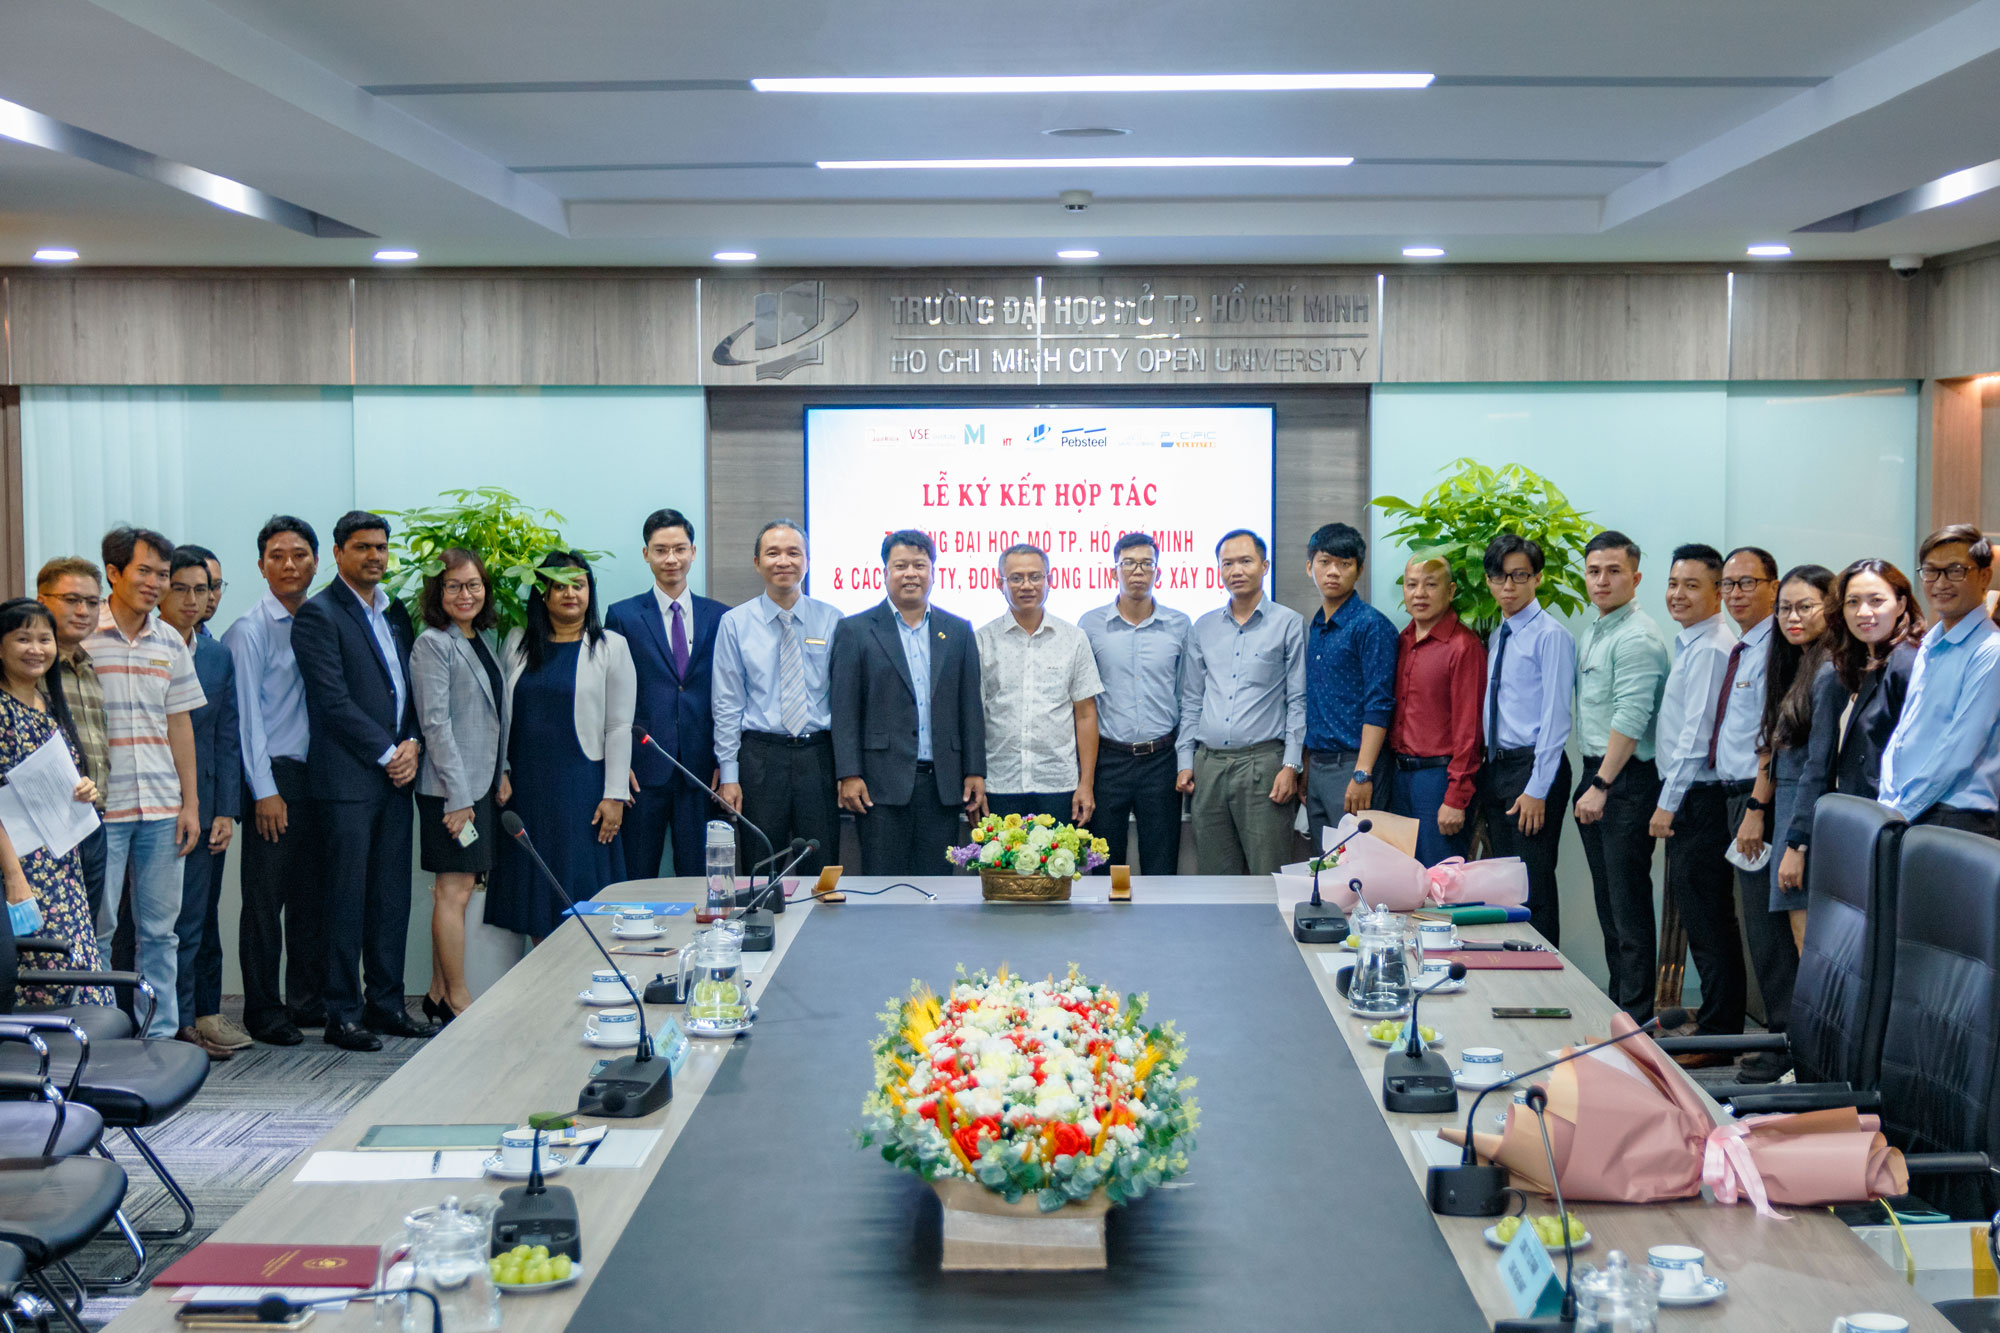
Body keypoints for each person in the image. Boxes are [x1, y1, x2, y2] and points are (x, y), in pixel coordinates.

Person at [290, 511, 434, 1051]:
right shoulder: (318, 615)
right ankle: (342, 1014)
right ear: (338, 553)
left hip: (397, 778)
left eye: (381, 547)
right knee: (345, 900)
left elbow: (411, 688)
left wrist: (414, 743)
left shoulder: (393, 611)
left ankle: (387, 1004)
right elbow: (332, 700)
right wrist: (386, 751)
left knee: (391, 899)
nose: (374, 556)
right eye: (362, 547)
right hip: (348, 781)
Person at [86, 526, 203, 1040]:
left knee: (161, 934)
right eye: (146, 572)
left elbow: (180, 724)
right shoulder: (83, 636)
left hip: (161, 806)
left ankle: (159, 1038)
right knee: (100, 931)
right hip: (101, 811)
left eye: (163, 574)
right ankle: (98, 1037)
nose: (157, 583)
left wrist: (191, 803)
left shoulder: (170, 642)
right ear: (113, 573)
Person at [222, 515, 328, 1046]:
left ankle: (306, 1001)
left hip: (319, 776)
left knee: (312, 896)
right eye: (278, 556)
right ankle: (263, 1009)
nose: (290, 564)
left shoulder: (322, 620)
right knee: (266, 900)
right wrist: (264, 790)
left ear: (317, 560)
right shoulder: (249, 630)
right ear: (261, 565)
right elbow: (245, 719)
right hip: (274, 776)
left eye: (300, 554)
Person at [490, 552, 635, 938]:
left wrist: (615, 794)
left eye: (579, 584)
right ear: (542, 593)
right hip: (526, 789)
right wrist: (502, 769)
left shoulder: (610, 646)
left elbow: (620, 726)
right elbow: (502, 717)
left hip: (582, 788)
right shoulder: (518, 642)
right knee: (535, 896)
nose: (570, 593)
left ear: (591, 591)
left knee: (581, 898)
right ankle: (543, 989)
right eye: (559, 585)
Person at [830, 530, 986, 877]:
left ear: (933, 571)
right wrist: (849, 773)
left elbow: (970, 708)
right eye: (900, 566)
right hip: (879, 784)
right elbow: (844, 711)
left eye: (920, 565)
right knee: (883, 883)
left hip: (942, 783)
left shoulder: (957, 630)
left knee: (937, 884)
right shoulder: (855, 630)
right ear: (884, 572)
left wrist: (975, 770)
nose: (911, 573)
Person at [1570, 531, 1670, 1022]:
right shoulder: (1598, 629)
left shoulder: (1638, 637)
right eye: (1594, 571)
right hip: (1600, 775)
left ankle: (1635, 1021)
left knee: (1628, 909)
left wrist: (1602, 785)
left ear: (1635, 577)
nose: (1602, 580)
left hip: (1624, 782)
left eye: (1613, 571)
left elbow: (1631, 718)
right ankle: (1619, 1010)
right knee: (1610, 907)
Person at [1649, 544, 1745, 1048]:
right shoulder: (1691, 642)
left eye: (1692, 585)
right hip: (1692, 796)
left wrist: (1668, 801)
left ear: (1717, 593)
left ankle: (1720, 1032)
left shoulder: (1711, 647)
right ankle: (1715, 1021)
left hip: (1699, 798)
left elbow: (1695, 734)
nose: (1678, 594)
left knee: (1708, 918)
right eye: (1673, 583)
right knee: (1703, 914)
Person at [409, 549, 509, 1023]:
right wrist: (459, 796)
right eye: (453, 586)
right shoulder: (433, 643)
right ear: (438, 592)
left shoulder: (481, 639)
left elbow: (492, 718)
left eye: (473, 585)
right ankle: (459, 998)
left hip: (478, 788)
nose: (465, 594)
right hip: (451, 793)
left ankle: (436, 992)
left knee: (457, 889)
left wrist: (500, 772)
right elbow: (435, 725)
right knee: (454, 891)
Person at [711, 520, 842, 878]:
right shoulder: (735, 623)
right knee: (759, 865)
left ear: (808, 561)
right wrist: (730, 774)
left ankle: (821, 934)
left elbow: (845, 703)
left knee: (822, 864)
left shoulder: (833, 620)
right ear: (757, 563)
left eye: (793, 552)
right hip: (760, 759)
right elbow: (726, 704)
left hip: (818, 756)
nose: (783, 561)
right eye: (773, 553)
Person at [0, 598, 110, 1010]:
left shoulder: (49, 704)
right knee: (38, 967)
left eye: (44, 639)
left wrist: (84, 789)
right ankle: (38, 1061)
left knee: (75, 959)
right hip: (21, 865)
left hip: (63, 861)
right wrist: (14, 877)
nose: (36, 648)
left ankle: (83, 1059)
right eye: (22, 638)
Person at [1177, 530, 1305, 876]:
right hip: (1209, 766)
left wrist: (1291, 766)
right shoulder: (1202, 627)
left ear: (1264, 566)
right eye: (1227, 563)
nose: (1236, 570)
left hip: (1263, 765)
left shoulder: (1288, 623)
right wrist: (1185, 760)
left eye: (1245, 561)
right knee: (1215, 876)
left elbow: (1298, 700)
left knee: (1268, 873)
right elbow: (1192, 699)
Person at [606, 509, 725, 879]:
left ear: (693, 551)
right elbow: (610, 694)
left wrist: (726, 759)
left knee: (699, 878)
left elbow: (729, 693)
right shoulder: (623, 616)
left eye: (679, 549)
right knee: (637, 874)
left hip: (701, 770)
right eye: (660, 550)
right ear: (646, 555)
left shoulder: (721, 616)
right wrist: (617, 762)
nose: (670, 559)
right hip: (643, 768)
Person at [1714, 546, 1796, 1069]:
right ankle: (1773, 1037)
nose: (1736, 594)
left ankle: (1783, 1045)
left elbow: (1773, 737)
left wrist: (1756, 807)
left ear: (1773, 586)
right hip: (1736, 797)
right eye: (1729, 584)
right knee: (1754, 928)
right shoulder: (1742, 647)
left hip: (1757, 800)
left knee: (1770, 933)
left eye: (1747, 583)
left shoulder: (1779, 650)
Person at [158, 550, 241, 1060]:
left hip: (207, 804)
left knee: (194, 920)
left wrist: (226, 810)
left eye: (203, 589)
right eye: (182, 589)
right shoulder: (146, 647)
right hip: (149, 802)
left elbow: (227, 738)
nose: (194, 600)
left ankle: (187, 1022)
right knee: (150, 926)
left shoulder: (215, 656)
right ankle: (159, 1024)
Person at [1791, 561, 1923, 880]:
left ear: (1902, 603)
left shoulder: (1906, 662)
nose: (1864, 612)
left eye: (1876, 601)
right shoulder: (1864, 663)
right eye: (1853, 602)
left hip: (1892, 826)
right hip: (1861, 821)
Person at [1479, 533, 1576, 947]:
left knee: (1534, 885)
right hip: (1498, 767)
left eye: (1519, 576)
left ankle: (1548, 981)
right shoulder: (1499, 633)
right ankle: (1515, 968)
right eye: (1499, 577)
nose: (1508, 587)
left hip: (1534, 770)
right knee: (1505, 886)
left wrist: (1538, 788)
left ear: (1537, 578)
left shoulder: (1551, 635)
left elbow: (1557, 717)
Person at [1879, 525, 2000, 835]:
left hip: (1956, 816)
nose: (1941, 583)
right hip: (1910, 809)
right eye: (1931, 572)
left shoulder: (1992, 650)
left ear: (1984, 577)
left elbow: (1959, 749)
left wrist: (1900, 810)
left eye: (1955, 571)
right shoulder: (1930, 643)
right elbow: (1906, 731)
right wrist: (1888, 800)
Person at [1081, 532, 1191, 874]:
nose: (1137, 571)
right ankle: (1105, 929)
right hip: (1109, 760)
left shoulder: (1180, 624)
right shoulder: (1090, 625)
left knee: (1161, 863)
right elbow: (1084, 702)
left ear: (1159, 572)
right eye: (1128, 563)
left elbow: (1187, 695)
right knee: (1103, 864)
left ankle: (1159, 929)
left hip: (1161, 759)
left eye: (1147, 564)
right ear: (1114, 571)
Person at [976, 544, 1104, 825]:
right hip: (1000, 783)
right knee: (1000, 870)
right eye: (1016, 578)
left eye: (1035, 577)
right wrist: (975, 779)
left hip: (1058, 784)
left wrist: (1086, 783)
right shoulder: (982, 640)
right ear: (1000, 583)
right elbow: (975, 717)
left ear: (1050, 580)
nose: (1027, 585)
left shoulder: (1073, 639)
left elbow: (1085, 714)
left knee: (1059, 869)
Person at [1300, 523, 1398, 852]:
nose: (1333, 572)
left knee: (1357, 869)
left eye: (1345, 564)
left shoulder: (1371, 625)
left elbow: (1379, 703)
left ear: (1359, 570)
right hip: (1320, 765)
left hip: (1354, 766)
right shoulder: (1317, 624)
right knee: (1325, 870)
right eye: (1325, 561)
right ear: (1309, 566)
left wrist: (1362, 773)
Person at [1385, 556, 1484, 867]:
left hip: (1438, 781)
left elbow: (1469, 730)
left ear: (1451, 590)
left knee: (1441, 883)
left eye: (1431, 585)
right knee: (1404, 879)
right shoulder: (1401, 640)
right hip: (1399, 778)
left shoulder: (1463, 646)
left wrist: (1455, 797)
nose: (1420, 593)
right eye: (1412, 585)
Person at [1763, 565, 1835, 955]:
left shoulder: (1829, 670)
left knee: (1810, 942)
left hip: (1806, 820)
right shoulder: (1799, 664)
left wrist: (1797, 845)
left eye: (1805, 607)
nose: (1792, 617)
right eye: (1785, 608)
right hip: (1791, 809)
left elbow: (1818, 766)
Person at [35, 557, 110, 919]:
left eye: (93, 602)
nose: (84, 610)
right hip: (43, 826)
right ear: (41, 601)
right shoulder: (29, 670)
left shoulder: (87, 665)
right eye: (71, 599)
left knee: (90, 933)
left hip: (92, 819)